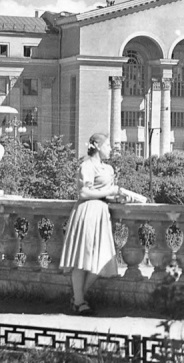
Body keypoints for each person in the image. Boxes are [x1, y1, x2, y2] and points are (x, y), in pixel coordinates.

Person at [59, 132, 122, 315]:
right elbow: (84, 193)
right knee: (81, 257)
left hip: (101, 213)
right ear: (98, 146)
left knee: (102, 258)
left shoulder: (108, 169)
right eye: (107, 145)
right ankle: (79, 301)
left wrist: (118, 197)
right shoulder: (86, 166)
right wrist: (109, 192)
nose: (110, 149)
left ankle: (77, 297)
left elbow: (106, 193)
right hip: (86, 212)